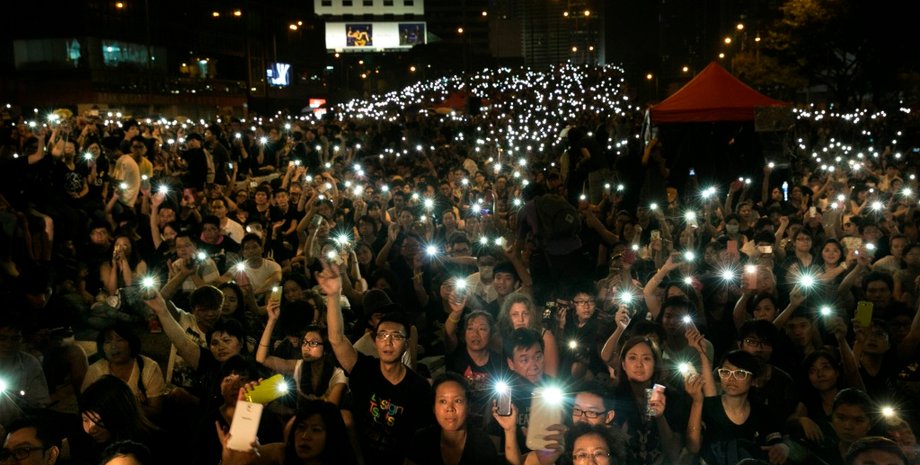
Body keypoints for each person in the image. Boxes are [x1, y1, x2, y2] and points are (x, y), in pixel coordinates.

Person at [317, 260, 433, 465]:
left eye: (396, 336)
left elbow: (422, 438)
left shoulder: (419, 388)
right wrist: (334, 296)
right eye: (382, 335)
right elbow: (336, 340)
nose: (388, 341)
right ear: (375, 340)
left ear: (406, 345)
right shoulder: (365, 369)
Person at [684, 347, 789, 465]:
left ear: (754, 380)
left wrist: (782, 447)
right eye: (726, 372)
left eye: (740, 373)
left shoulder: (762, 412)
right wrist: (697, 402)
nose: (731, 379)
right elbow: (693, 447)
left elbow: (776, 442)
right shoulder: (707, 406)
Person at [405, 372, 522, 465]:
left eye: (458, 401)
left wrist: (510, 429)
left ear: (468, 406)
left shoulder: (481, 445)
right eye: (443, 401)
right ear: (434, 408)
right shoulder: (421, 440)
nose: (450, 408)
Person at [256, 300, 347, 406]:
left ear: (326, 348)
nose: (306, 347)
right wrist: (272, 320)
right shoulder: (298, 366)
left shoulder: (338, 375)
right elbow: (261, 358)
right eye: (304, 342)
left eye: (313, 343)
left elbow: (329, 413)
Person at [81, 323, 165, 419]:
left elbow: (156, 413)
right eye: (108, 342)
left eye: (120, 340)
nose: (113, 346)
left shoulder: (149, 368)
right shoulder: (95, 371)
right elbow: (86, 407)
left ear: (131, 342)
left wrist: (122, 406)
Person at [75, 375, 158, 463]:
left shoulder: (142, 449)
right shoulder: (89, 441)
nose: (91, 429)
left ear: (119, 416)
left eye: (100, 421)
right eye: (85, 420)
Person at [496, 292, 559, 378]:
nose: (520, 319)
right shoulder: (502, 336)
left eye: (525, 314)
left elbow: (551, 377)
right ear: (508, 317)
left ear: (531, 316)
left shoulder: (545, 337)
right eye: (515, 315)